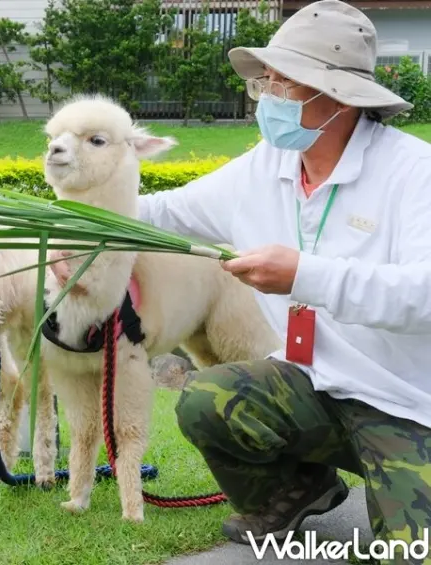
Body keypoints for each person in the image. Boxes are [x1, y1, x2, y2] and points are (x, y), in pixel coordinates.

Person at [52, 0, 431, 559]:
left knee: (409, 550)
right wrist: (80, 229)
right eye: (265, 84)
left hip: (406, 403)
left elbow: (422, 295)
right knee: (207, 398)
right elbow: (161, 212)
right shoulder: (267, 165)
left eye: (285, 85)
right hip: (315, 384)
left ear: (339, 97)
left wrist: (305, 276)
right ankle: (299, 491)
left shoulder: (412, 174)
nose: (268, 99)